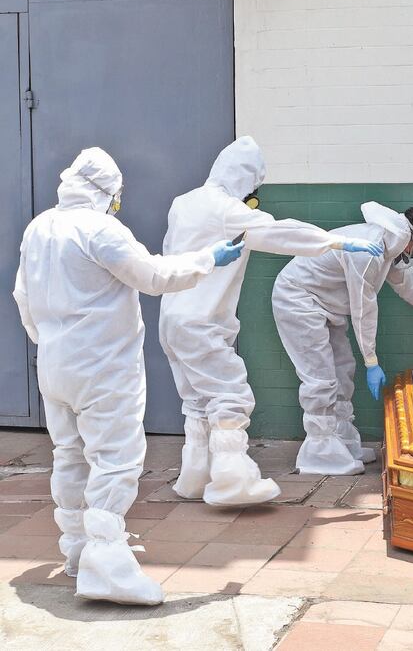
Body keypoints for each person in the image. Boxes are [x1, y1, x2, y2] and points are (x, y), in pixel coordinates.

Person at [13, 147, 243, 605]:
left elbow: (22, 295)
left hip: (54, 364)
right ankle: (107, 566)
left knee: (69, 454)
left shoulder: (40, 226)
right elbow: (153, 276)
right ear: (107, 191)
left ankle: (77, 549)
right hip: (102, 367)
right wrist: (207, 259)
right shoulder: (101, 229)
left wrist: (48, 341)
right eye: (117, 194)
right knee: (115, 460)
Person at [159, 136, 382, 506]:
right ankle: (233, 483)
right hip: (203, 320)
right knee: (230, 396)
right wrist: (336, 242)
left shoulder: (183, 203)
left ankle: (195, 479)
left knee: (197, 401)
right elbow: (280, 232)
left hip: (172, 318)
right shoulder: (226, 208)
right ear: (245, 177)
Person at [272, 201, 413, 476]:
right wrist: (371, 361)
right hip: (298, 298)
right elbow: (363, 308)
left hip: (322, 303)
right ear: (410, 237)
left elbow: (408, 281)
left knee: (342, 369)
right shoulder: (369, 252)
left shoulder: (387, 246)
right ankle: (319, 452)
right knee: (320, 376)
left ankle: (341, 442)